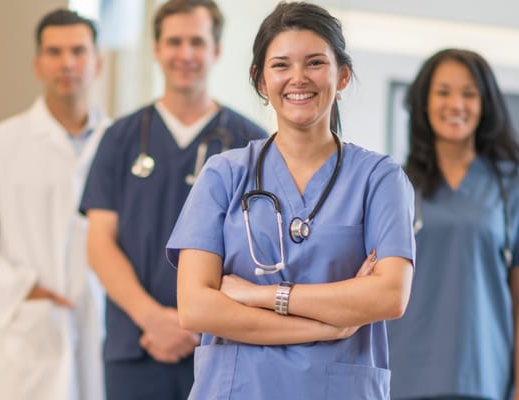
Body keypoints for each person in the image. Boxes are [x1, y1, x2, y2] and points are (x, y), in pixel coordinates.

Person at [166, 2, 416, 399]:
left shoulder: (379, 178)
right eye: (281, 65)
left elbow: (389, 295)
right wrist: (326, 326)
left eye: (315, 62)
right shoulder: (224, 175)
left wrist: (260, 295)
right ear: (261, 80)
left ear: (343, 75)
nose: (298, 78)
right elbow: (196, 308)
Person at [78, 0, 267, 398]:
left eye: (197, 42)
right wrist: (154, 319)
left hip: (221, 347)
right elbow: (99, 244)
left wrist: (198, 322)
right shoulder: (120, 139)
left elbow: (259, 251)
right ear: (156, 49)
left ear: (216, 50)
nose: (185, 54)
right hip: (137, 345)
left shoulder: (251, 144)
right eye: (174, 41)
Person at [0, 9, 107, 400]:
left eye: (78, 51)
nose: (67, 63)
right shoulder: (1, 144)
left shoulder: (120, 142)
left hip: (102, 326)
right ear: (37, 64)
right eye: (54, 52)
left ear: (97, 62)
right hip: (28, 333)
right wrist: (22, 289)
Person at [386, 48, 519, 400]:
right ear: (424, 102)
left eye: (469, 93)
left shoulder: (517, 187)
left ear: (485, 105)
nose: (456, 104)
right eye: (443, 92)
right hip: (402, 376)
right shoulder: (393, 184)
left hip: (484, 378)